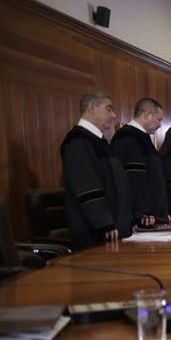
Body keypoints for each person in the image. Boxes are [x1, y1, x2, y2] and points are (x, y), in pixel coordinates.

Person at [61, 90, 132, 250]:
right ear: (91, 108)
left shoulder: (98, 141)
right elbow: (87, 187)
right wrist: (104, 222)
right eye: (109, 109)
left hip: (114, 227)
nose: (114, 115)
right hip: (95, 233)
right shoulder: (77, 140)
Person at [110, 97, 168, 228]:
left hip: (153, 214)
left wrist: (163, 212)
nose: (160, 124)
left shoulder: (143, 137)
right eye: (159, 119)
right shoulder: (128, 137)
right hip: (141, 217)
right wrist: (142, 212)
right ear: (147, 115)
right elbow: (134, 179)